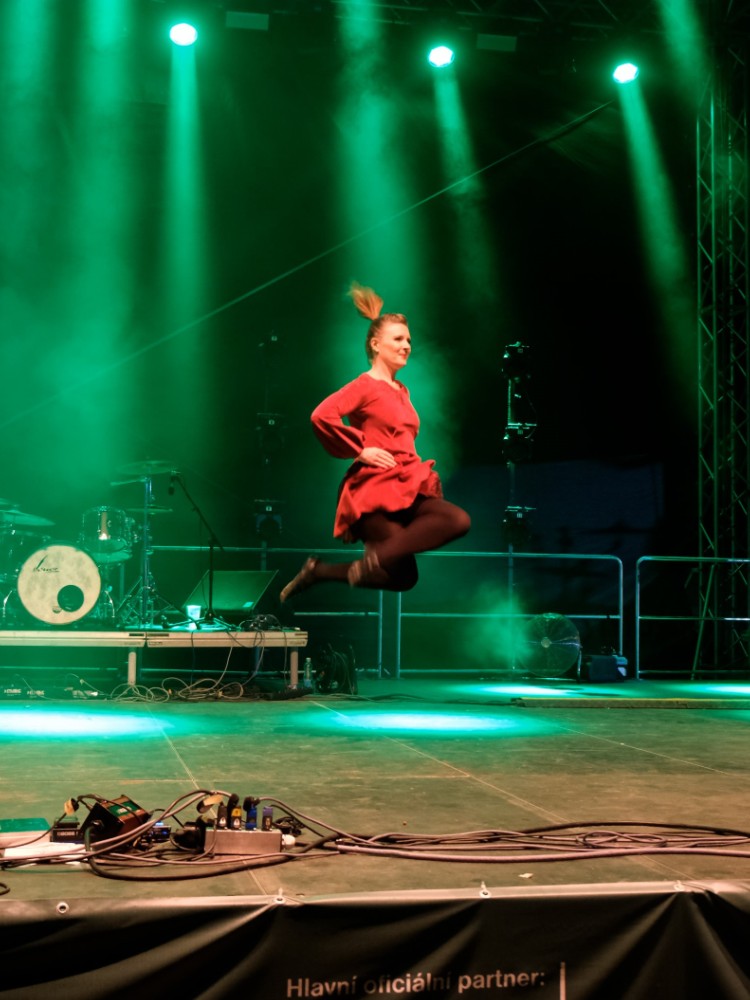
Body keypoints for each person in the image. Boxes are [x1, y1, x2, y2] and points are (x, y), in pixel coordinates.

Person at [280, 281, 470, 601]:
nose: (406, 345)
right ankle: (368, 560)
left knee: (453, 522)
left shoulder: (402, 390)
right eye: (398, 339)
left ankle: (319, 571)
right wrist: (360, 449)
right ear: (376, 344)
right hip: (375, 490)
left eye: (408, 340)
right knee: (403, 575)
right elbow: (321, 416)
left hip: (407, 482)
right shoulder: (365, 385)